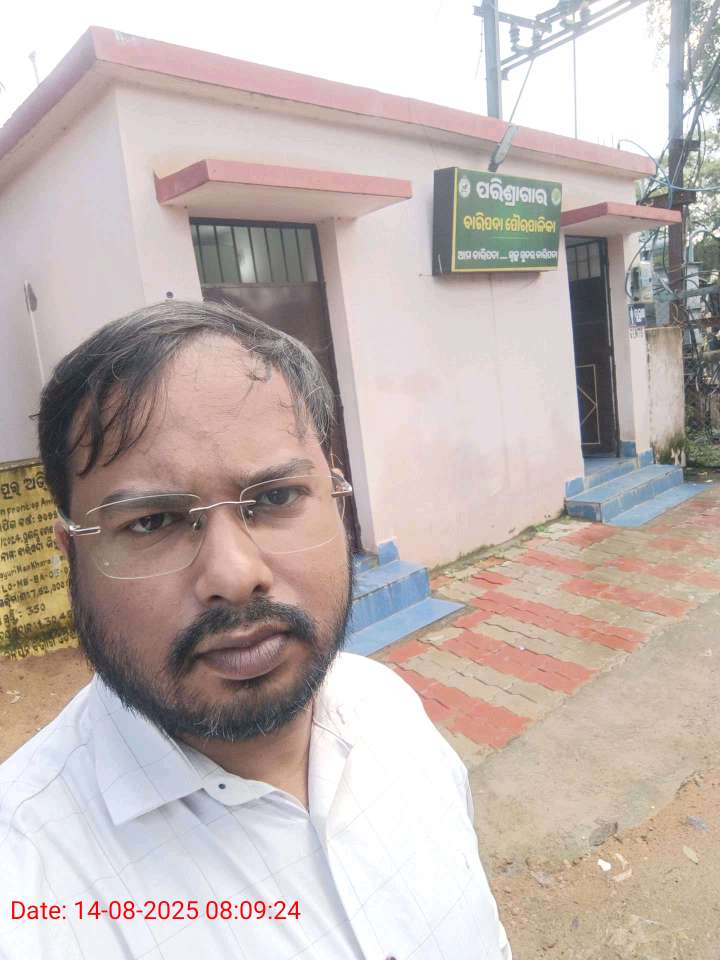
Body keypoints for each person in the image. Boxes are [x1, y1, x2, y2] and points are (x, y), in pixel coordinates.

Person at [0, 301, 511, 959]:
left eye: (275, 498)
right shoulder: (29, 885)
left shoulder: (389, 709)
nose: (236, 576)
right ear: (73, 559)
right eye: (152, 521)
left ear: (336, 500)